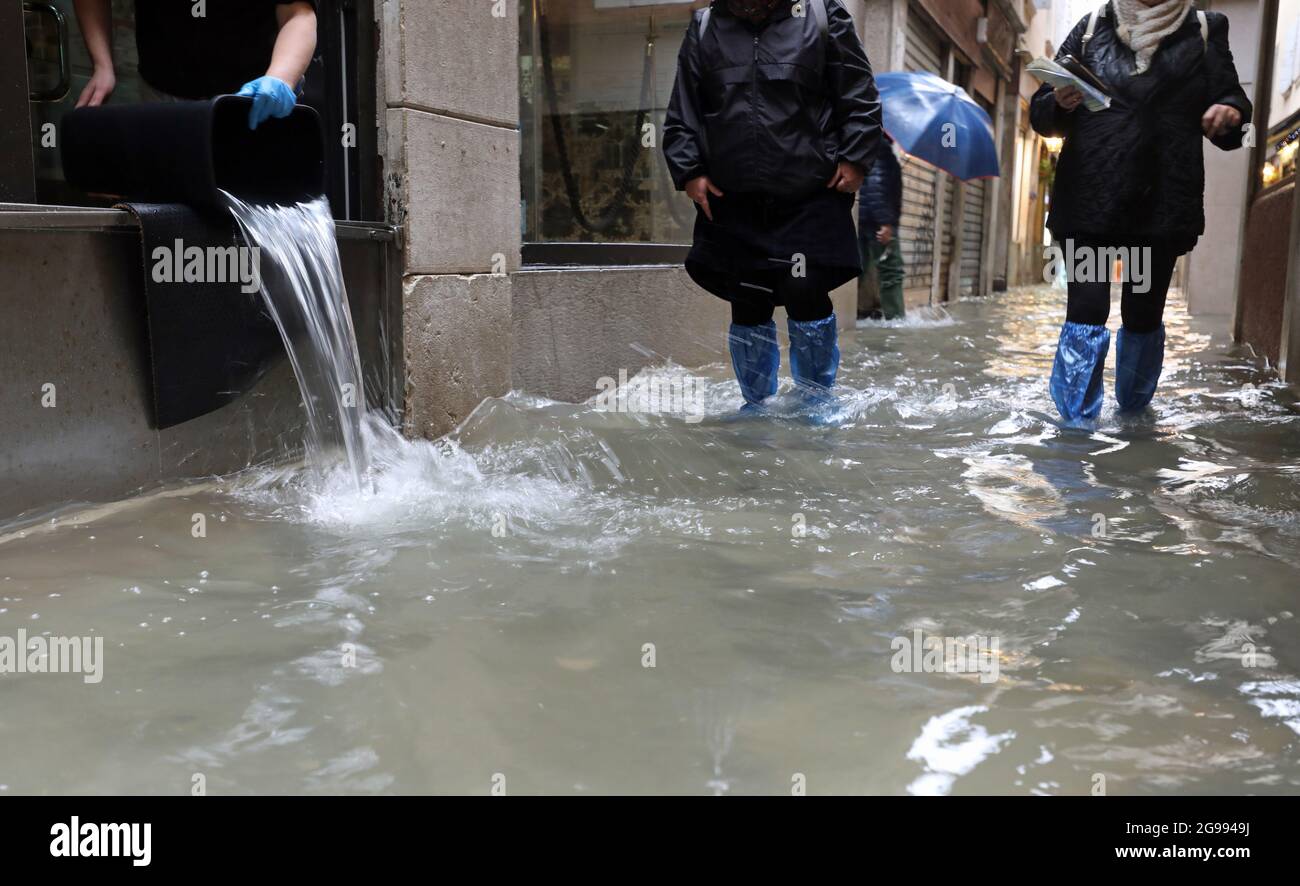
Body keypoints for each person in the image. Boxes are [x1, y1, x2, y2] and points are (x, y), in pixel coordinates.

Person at [1030, 0, 1250, 425]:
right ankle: (1075, 430)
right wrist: (1060, 101)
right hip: (1092, 198)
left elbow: (1232, 108)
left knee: (1142, 315)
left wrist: (1231, 112)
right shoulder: (1093, 25)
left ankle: (1134, 421)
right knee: (1087, 309)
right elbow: (1043, 114)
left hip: (1160, 203)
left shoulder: (1205, 29)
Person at [663, 0, 882, 410]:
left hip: (809, 192)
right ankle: (756, 408)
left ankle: (815, 401)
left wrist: (855, 158)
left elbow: (859, 96)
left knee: (805, 291)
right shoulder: (707, 25)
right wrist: (689, 170)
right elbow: (684, 108)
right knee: (748, 300)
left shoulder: (821, 15)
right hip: (733, 197)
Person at [72, 0, 317, 129]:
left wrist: (280, 78)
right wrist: (102, 65)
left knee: (259, 198)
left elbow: (298, 14)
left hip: (254, 98)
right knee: (171, 203)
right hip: (163, 94)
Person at [857, 133, 905, 320]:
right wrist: (886, 223)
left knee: (856, 269)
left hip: (861, 221)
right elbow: (876, 186)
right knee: (891, 270)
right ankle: (896, 320)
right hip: (878, 225)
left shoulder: (863, 148)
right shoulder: (882, 152)